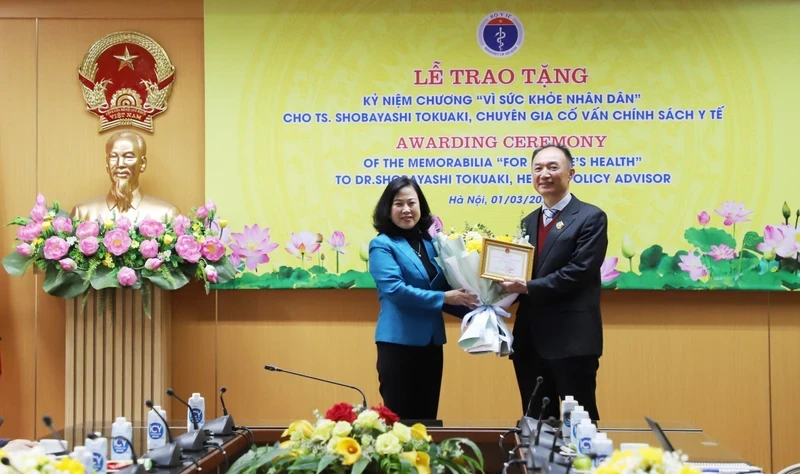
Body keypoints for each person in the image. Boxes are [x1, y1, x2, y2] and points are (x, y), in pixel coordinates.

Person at [500, 144, 608, 422]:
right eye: (538, 169)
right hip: (530, 341)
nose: (544, 174)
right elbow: (522, 271)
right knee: (536, 424)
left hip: (572, 341)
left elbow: (579, 272)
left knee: (579, 425)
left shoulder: (590, 217)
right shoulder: (527, 222)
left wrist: (527, 287)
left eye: (552, 167)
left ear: (571, 172)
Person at [368, 177, 478, 422]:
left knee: (427, 418)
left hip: (431, 344)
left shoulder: (430, 244)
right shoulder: (382, 245)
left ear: (421, 206)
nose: (406, 209)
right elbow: (396, 290)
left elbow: (446, 290)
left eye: (412, 203)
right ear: (388, 209)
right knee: (399, 422)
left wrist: (480, 307)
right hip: (398, 345)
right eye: (399, 204)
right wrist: (445, 297)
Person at [71, 129, 179, 224]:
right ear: (107, 164)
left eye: (128, 157)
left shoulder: (167, 215)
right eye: (113, 157)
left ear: (142, 164)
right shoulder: (82, 213)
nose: (120, 164)